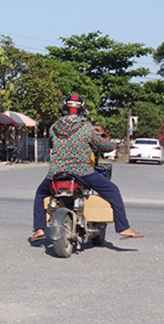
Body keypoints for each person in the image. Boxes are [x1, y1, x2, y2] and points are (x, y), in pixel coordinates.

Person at [30, 94, 143, 242]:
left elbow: (52, 143)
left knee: (40, 194)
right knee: (112, 190)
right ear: (82, 111)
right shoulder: (87, 129)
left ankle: (39, 229)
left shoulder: (54, 128)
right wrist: (114, 144)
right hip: (82, 172)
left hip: (56, 173)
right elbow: (103, 146)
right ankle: (124, 228)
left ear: (64, 109)